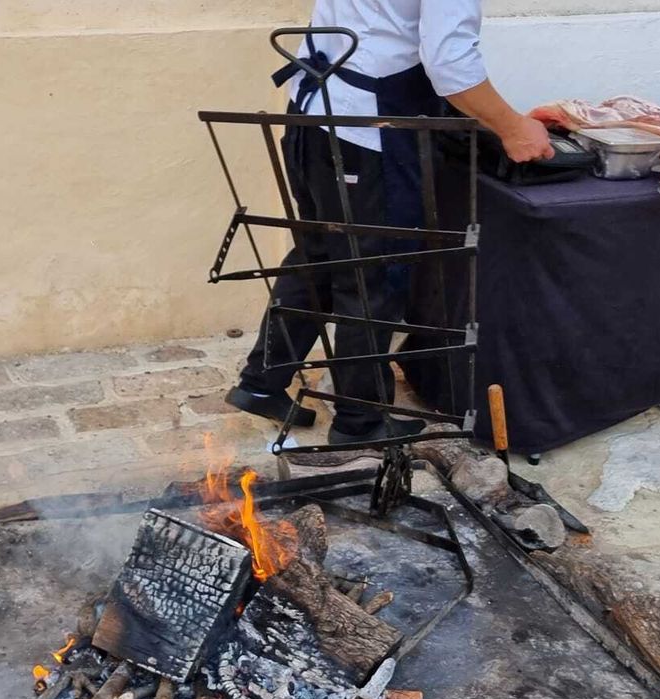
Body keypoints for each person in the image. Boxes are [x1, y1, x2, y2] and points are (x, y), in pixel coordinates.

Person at [223, 0, 554, 445]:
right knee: (370, 277)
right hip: (365, 132)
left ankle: (261, 382)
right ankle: (360, 422)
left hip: (310, 117)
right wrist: (514, 128)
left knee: (317, 253)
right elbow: (451, 65)